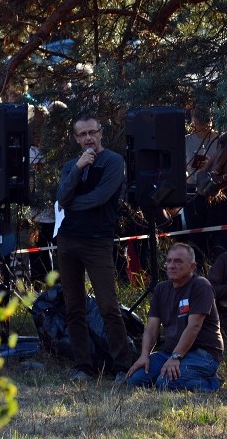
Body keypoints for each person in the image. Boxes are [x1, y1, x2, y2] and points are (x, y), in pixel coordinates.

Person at [56, 114, 130, 381]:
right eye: (82, 134)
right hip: (67, 241)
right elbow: (61, 195)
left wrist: (70, 204)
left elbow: (99, 199)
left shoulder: (113, 161)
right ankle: (83, 366)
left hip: (97, 241)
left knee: (108, 305)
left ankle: (122, 366)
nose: (88, 138)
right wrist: (77, 169)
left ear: (101, 133)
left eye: (92, 132)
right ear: (76, 139)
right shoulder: (71, 165)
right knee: (73, 306)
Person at [125, 242, 224, 391]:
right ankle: (185, 374)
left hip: (203, 353)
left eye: (178, 261)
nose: (171, 265)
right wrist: (144, 355)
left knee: (165, 383)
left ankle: (212, 382)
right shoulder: (160, 289)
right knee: (135, 380)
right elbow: (152, 328)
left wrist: (176, 357)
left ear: (192, 267)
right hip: (169, 352)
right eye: (169, 261)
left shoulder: (201, 285)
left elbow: (194, 327)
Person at [182, 106, 227, 260]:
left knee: (219, 238)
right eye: (199, 122)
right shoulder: (186, 141)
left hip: (216, 192)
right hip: (193, 192)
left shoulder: (220, 140)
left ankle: (221, 271)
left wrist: (211, 164)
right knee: (197, 240)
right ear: (193, 122)